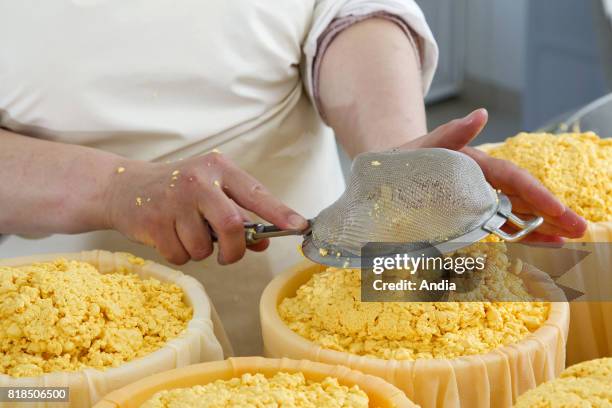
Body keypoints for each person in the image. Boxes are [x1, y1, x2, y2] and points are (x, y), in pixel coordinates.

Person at [0, 1, 586, 355]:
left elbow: (348, 14)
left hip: (339, 279)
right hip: (61, 339)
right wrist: (110, 188)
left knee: (527, 304)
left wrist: (398, 167)